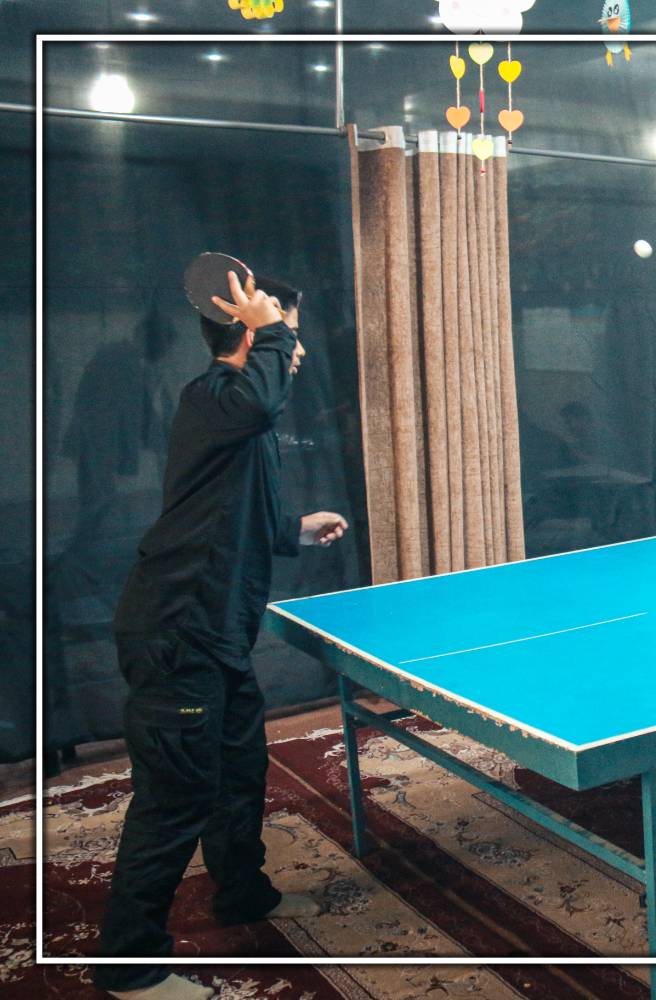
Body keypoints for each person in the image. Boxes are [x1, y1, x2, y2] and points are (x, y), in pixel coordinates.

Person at [93, 271, 349, 1000]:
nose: (297, 351)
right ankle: (129, 966)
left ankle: (243, 895)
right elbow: (261, 395)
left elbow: (228, 507)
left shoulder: (241, 416)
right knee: (174, 798)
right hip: (178, 633)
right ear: (250, 332)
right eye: (288, 335)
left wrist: (293, 530)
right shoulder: (214, 398)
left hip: (219, 634)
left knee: (239, 773)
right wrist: (271, 328)